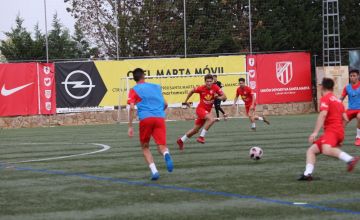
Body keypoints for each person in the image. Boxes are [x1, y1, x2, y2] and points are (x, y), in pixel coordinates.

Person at [298, 78, 359, 181]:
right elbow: (345, 118)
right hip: (337, 131)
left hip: (332, 131)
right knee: (311, 151)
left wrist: (315, 132)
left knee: (326, 150)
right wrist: (340, 133)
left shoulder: (326, 98)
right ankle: (307, 174)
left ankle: (350, 159)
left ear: (322, 87)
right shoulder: (337, 100)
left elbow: (323, 114)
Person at [127, 68, 173, 181]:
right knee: (161, 146)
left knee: (145, 147)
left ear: (134, 79)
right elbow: (166, 104)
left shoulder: (134, 90)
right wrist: (158, 111)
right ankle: (166, 154)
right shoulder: (156, 87)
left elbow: (132, 108)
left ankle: (154, 171)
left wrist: (130, 126)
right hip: (159, 118)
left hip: (146, 119)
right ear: (144, 76)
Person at [177, 74, 227, 150]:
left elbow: (224, 97)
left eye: (210, 81)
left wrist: (218, 97)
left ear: (212, 81)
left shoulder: (215, 87)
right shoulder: (201, 88)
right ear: (205, 82)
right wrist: (186, 101)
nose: (209, 83)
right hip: (200, 109)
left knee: (195, 130)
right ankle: (201, 137)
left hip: (206, 111)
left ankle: (181, 140)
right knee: (211, 119)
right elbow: (191, 91)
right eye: (207, 81)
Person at [340, 69, 360, 146]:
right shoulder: (347, 87)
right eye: (351, 76)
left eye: (354, 75)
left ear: (358, 76)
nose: (352, 77)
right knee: (341, 124)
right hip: (350, 110)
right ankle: (338, 139)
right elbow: (341, 99)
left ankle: (358, 137)